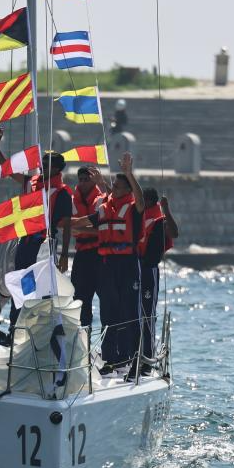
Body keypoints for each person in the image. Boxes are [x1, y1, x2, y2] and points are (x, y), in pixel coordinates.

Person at [0, 128, 73, 327]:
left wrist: (63, 255)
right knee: (21, 284)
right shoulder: (30, 183)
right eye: (43, 162)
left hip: (45, 245)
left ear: (57, 169)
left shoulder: (61, 193)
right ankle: (16, 325)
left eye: (48, 163)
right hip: (25, 243)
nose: (43, 165)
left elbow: (67, 225)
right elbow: (8, 171)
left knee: (42, 287)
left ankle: (41, 327)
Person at [72, 153, 145, 372]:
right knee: (109, 312)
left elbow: (140, 199)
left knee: (129, 312)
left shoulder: (133, 207)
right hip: (107, 264)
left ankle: (132, 356)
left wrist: (129, 173)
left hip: (128, 264)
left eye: (119, 187)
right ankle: (110, 358)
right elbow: (81, 222)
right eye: (113, 186)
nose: (114, 189)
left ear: (128, 190)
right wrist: (60, 223)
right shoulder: (105, 208)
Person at [133, 189, 179, 376]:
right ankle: (130, 354)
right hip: (132, 269)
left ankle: (147, 358)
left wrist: (166, 209)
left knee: (147, 315)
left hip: (148, 270)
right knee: (129, 313)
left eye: (143, 199)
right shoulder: (135, 216)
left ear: (151, 201)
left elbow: (174, 234)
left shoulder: (160, 220)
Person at [69, 166, 105, 329]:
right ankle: (83, 333)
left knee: (105, 294)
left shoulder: (101, 199)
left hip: (99, 253)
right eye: (81, 179)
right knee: (79, 296)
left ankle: (108, 335)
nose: (83, 183)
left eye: (87, 179)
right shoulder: (72, 200)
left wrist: (78, 227)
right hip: (81, 253)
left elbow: (101, 227)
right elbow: (65, 225)